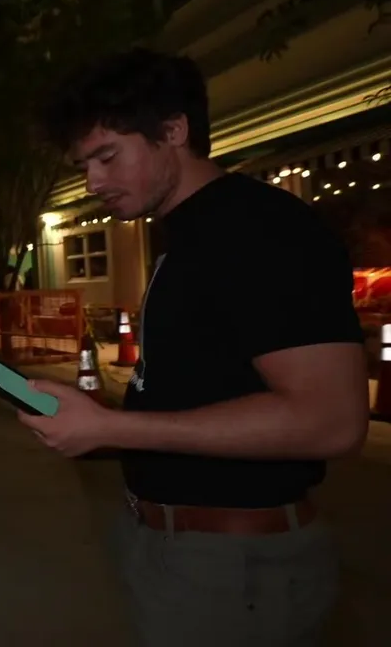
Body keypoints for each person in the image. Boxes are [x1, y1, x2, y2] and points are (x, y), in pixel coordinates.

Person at [25, 48, 368, 647]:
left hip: (235, 571)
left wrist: (112, 429)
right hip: (175, 548)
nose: (93, 182)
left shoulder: (259, 232)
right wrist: (98, 425)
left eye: (108, 156)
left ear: (174, 131)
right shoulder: (185, 236)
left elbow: (331, 420)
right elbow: (202, 387)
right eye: (84, 165)